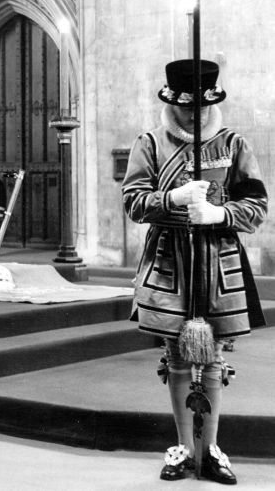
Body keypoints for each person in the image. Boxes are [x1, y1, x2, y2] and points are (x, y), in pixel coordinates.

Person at [121, 59, 267, 484]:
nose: (194, 115)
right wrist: (174, 199)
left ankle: (212, 448)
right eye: (187, 108)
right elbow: (133, 202)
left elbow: (256, 206)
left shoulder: (234, 143)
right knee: (178, 357)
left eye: (202, 108)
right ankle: (185, 447)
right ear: (171, 102)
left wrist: (219, 213)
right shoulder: (149, 143)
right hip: (170, 263)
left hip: (217, 263)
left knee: (215, 356)